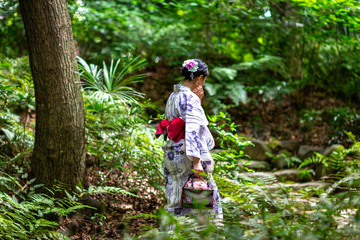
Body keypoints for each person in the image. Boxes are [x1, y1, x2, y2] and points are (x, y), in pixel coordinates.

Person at [157, 59, 223, 227]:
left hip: (172, 154)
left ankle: (169, 235)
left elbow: (185, 119)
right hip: (187, 155)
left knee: (175, 200)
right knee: (206, 202)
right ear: (199, 78)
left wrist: (198, 101)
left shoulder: (174, 95)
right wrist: (197, 160)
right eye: (204, 80)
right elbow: (193, 128)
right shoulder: (190, 98)